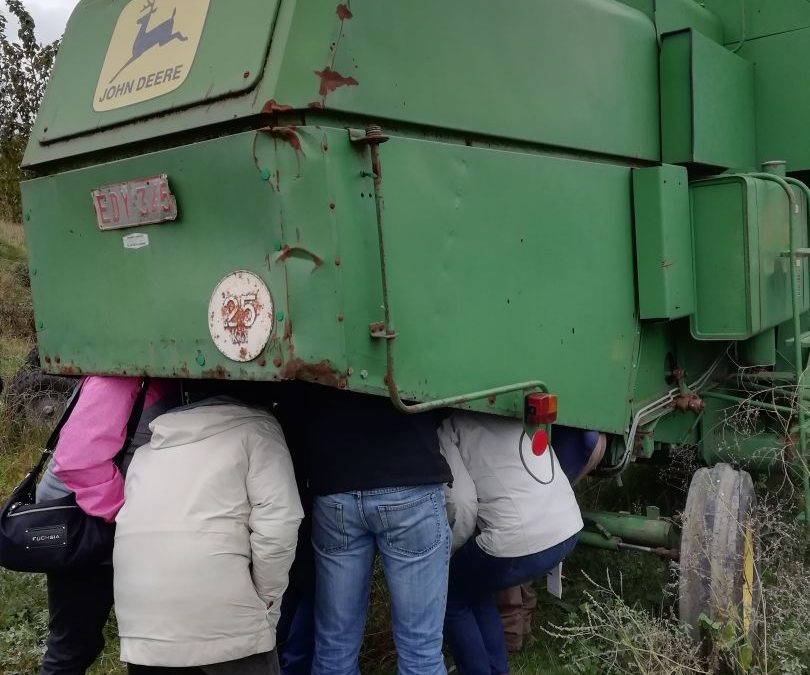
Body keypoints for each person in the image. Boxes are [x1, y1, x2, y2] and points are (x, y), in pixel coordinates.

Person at [113, 397, 304, 674]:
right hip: (226, 619)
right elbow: (279, 523)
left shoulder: (146, 450)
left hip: (143, 622)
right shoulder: (258, 430)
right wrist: (267, 600)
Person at [279, 382, 453, 675]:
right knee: (420, 649)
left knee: (334, 647)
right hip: (409, 472)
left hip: (335, 484)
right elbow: (443, 396)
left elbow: (295, 401)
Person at [35, 376, 180, 675]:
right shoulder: (117, 379)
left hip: (110, 523)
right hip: (83, 525)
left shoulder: (161, 376)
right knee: (73, 646)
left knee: (147, 643)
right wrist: (126, 517)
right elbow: (77, 463)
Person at [439, 411, 584, 675]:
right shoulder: (509, 414)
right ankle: (497, 669)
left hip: (519, 541)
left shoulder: (449, 425)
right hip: (569, 528)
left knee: (450, 593)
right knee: (477, 586)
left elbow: (462, 503)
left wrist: (448, 552)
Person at [495, 426, 605, 653]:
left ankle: (511, 632)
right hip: (581, 445)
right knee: (530, 519)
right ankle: (520, 624)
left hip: (551, 445)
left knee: (513, 525)